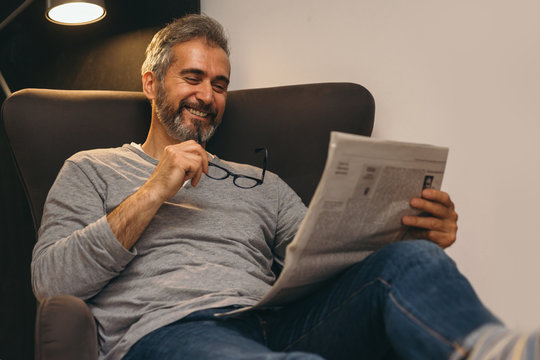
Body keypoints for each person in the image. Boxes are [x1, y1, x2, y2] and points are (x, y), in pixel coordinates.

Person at [31, 14, 539, 360]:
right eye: (192, 77)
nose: (207, 96)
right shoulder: (92, 168)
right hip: (170, 333)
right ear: (150, 82)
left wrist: (410, 236)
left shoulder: (262, 184)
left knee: (415, 263)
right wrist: (152, 190)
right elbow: (53, 281)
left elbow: (324, 264)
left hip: (274, 320)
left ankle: (488, 349)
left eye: (220, 84)